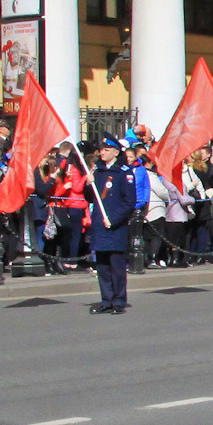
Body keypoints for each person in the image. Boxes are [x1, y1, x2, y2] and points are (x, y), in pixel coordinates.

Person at [87, 134, 138, 314]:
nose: (102, 152)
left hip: (115, 227)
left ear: (116, 152)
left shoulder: (124, 173)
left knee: (116, 267)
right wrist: (88, 184)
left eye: (106, 150)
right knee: (102, 267)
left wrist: (114, 218)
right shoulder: (98, 172)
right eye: (101, 149)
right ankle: (106, 300)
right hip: (100, 226)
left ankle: (118, 301)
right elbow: (90, 197)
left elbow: (129, 201)